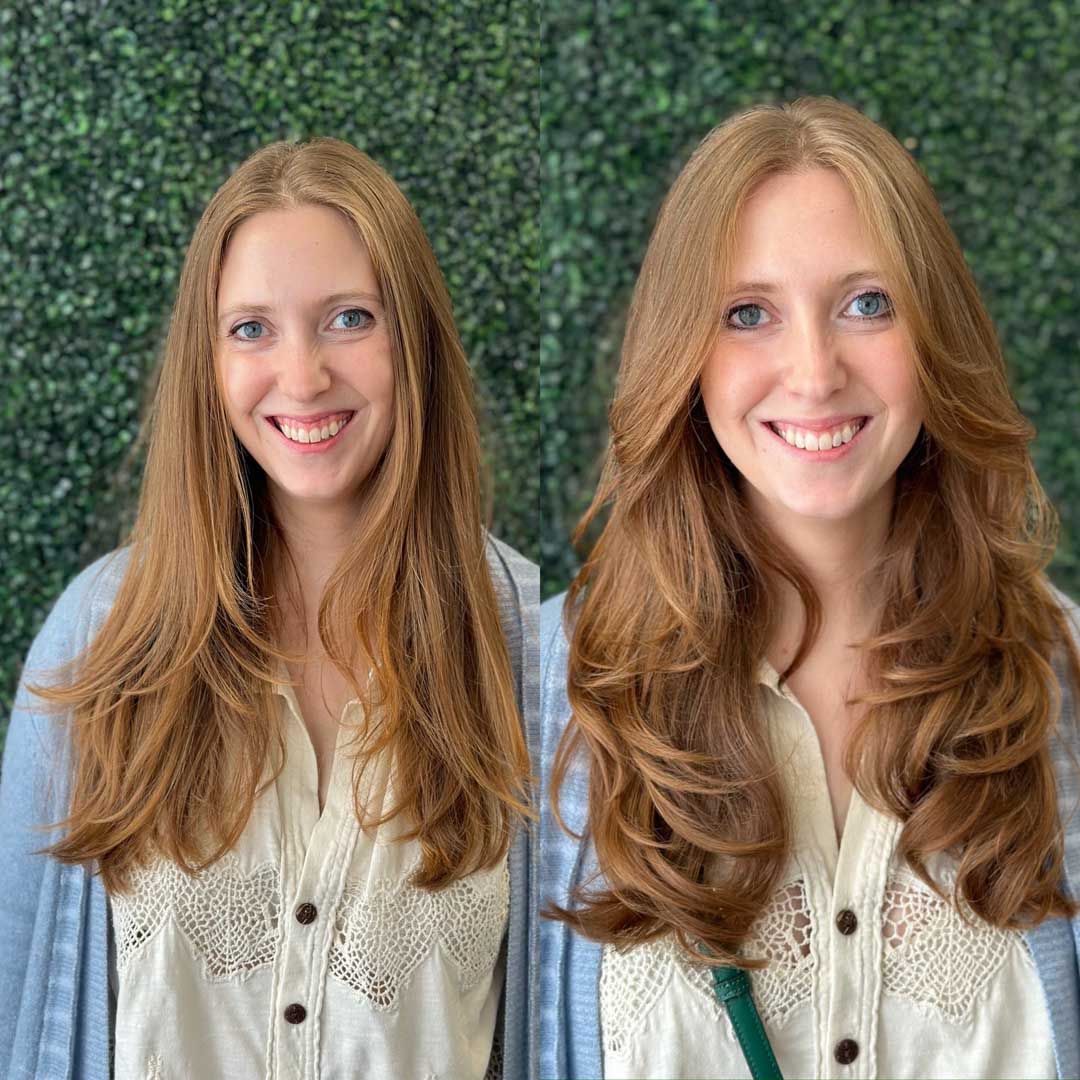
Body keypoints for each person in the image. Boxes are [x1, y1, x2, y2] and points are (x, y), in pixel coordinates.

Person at [538, 95, 1080, 1079]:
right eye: (748, 313)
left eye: (868, 304)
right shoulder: (542, 683)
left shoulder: (1066, 682)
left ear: (935, 334)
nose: (814, 370)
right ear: (683, 357)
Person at [0, 136, 538, 1080]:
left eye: (348, 319)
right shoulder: (96, 636)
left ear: (413, 339)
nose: (301, 376)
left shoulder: (531, 644)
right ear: (205, 361)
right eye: (251, 328)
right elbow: (19, 997)